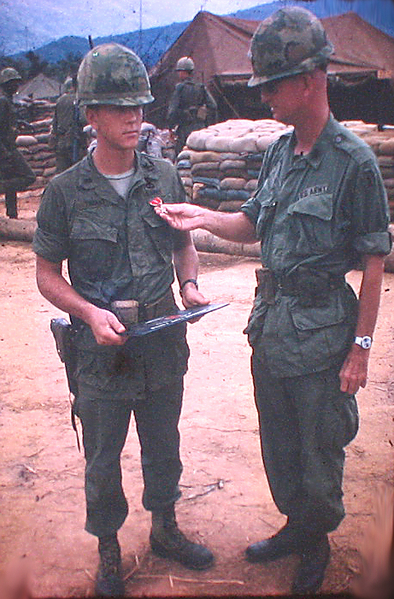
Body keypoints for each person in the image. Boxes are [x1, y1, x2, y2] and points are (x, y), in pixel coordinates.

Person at [154, 6, 392, 595]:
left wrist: (360, 349)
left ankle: (315, 542)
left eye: (272, 85)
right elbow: (253, 223)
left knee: (318, 446)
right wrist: (201, 216)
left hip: (322, 331)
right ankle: (295, 525)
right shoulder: (280, 154)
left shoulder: (354, 163)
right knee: (280, 442)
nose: (263, 97)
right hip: (275, 325)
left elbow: (373, 262)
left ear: (310, 80)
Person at [32, 42, 214, 597]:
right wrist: (87, 312)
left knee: (165, 443)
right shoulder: (64, 192)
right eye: (119, 107)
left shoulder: (164, 177)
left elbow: (183, 243)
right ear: (91, 115)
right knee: (103, 455)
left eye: (139, 104)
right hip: (102, 350)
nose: (135, 116)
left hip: (162, 338)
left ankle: (165, 528)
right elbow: (45, 275)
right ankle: (109, 548)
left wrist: (190, 285)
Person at [0, 67, 36, 218]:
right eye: (13, 83)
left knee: (10, 180)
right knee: (29, 177)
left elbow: (7, 122)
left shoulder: (8, 101)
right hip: (6, 149)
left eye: (17, 82)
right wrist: (4, 152)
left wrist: (20, 122)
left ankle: (12, 214)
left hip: (8, 147)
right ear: (5, 84)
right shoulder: (3, 101)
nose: (16, 86)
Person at [167, 56, 217, 156]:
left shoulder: (180, 88)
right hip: (200, 128)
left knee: (182, 157)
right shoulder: (201, 87)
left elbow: (172, 111)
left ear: (183, 72)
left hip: (185, 129)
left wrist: (171, 128)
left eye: (179, 71)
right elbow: (213, 106)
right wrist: (207, 122)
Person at [50, 75, 86, 173]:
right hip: (75, 142)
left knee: (61, 173)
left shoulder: (60, 100)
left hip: (61, 142)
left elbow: (55, 123)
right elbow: (83, 120)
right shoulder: (80, 100)